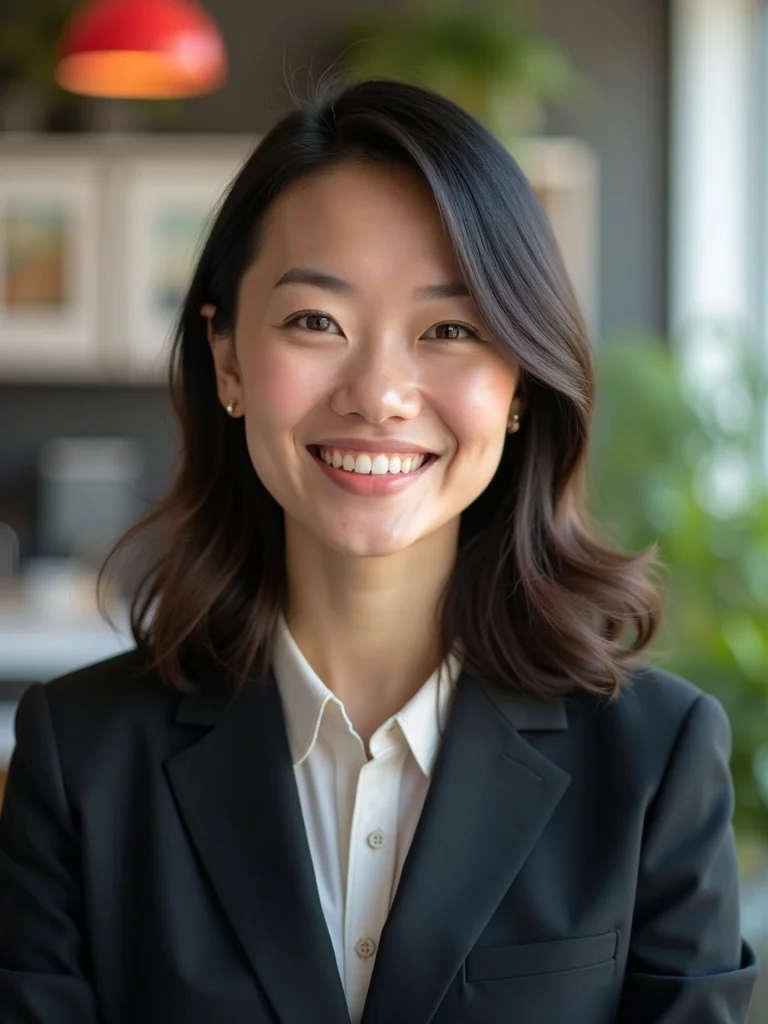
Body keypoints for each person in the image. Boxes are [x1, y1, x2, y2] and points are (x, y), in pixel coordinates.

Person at [0, 77, 758, 1024]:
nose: (381, 392)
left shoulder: (655, 758)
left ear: (519, 379)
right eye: (316, 322)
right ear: (229, 358)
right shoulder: (81, 758)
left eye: (451, 329)